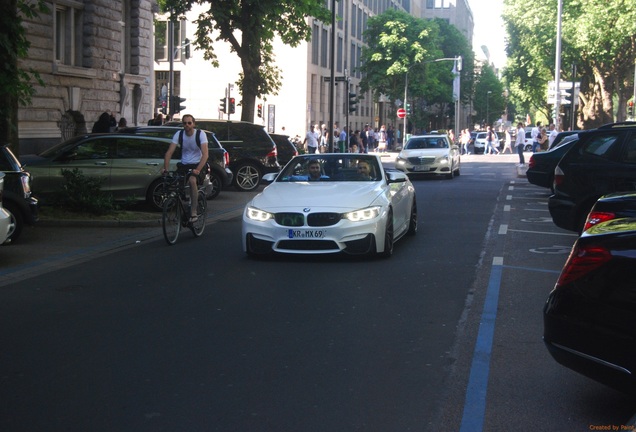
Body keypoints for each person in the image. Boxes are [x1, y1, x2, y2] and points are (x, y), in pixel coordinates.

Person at [162, 114, 209, 222]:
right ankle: (180, 207)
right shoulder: (179, 134)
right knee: (175, 184)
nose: (187, 125)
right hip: (184, 164)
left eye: (189, 123)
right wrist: (166, 168)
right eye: (184, 123)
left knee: (192, 180)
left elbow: (205, 154)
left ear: (193, 124)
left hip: (198, 164)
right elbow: (169, 153)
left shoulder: (200, 134)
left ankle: (193, 211)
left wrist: (197, 170)